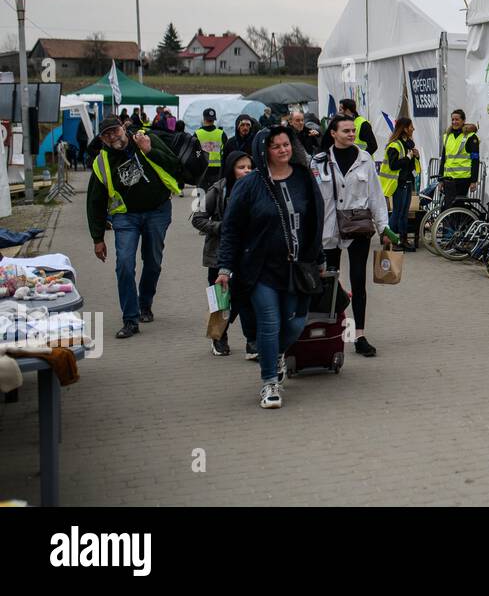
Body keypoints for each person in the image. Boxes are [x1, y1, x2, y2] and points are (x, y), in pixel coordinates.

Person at [217, 127, 324, 409]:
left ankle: (275, 354)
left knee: (295, 323)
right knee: (269, 321)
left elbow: (315, 221)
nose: (282, 150)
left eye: (286, 144)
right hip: (260, 267)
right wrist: (225, 267)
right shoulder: (250, 184)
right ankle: (269, 384)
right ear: (264, 151)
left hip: (297, 266)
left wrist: (319, 257)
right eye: (275, 146)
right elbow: (231, 229)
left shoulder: (303, 178)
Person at [86, 116, 183, 338]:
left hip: (157, 211)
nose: (113, 136)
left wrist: (149, 151)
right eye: (106, 134)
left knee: (152, 262)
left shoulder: (145, 140)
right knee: (124, 266)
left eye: (115, 130)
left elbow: (176, 166)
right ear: (102, 138)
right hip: (125, 218)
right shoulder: (102, 162)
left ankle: (145, 304)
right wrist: (97, 237)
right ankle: (130, 319)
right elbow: (95, 201)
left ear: (123, 128)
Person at [312, 114, 389, 358]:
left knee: (358, 280)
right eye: (345, 130)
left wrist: (384, 227)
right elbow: (312, 199)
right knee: (329, 282)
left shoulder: (365, 159)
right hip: (329, 230)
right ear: (333, 133)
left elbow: (375, 196)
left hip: (358, 229)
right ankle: (332, 331)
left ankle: (359, 336)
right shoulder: (319, 161)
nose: (351, 134)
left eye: (353, 130)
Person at [191, 150, 256, 357]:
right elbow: (197, 218)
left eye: (249, 167)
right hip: (219, 255)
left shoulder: (258, 189)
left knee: (246, 298)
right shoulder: (217, 190)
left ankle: (252, 342)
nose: (247, 171)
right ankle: (218, 337)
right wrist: (224, 227)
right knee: (222, 300)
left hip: (248, 254)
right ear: (231, 170)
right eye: (241, 167)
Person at [380, 118, 421, 251]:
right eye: (411, 126)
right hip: (398, 183)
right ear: (404, 128)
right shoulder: (394, 145)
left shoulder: (408, 143)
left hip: (408, 182)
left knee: (404, 213)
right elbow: (393, 165)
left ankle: (403, 240)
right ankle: (391, 240)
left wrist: (416, 156)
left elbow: (410, 163)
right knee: (397, 213)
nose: (413, 129)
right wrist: (408, 157)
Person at [439, 109, 479, 204]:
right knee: (448, 207)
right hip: (448, 179)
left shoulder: (471, 137)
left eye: (457, 119)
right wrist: (440, 179)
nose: (454, 122)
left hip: (463, 179)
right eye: (452, 119)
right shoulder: (447, 136)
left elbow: (475, 160)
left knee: (458, 206)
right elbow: (444, 159)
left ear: (463, 121)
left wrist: (474, 180)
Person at [195, 107, 228, 187]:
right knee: (215, 196)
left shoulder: (197, 134)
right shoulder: (221, 133)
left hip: (202, 170)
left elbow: (195, 153)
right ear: (214, 120)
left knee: (202, 196)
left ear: (204, 119)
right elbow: (226, 151)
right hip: (217, 170)